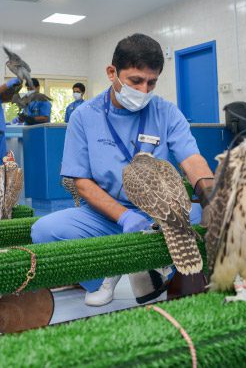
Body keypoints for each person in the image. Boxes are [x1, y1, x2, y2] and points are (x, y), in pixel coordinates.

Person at [31, 33, 215, 307]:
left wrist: (211, 195)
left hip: (163, 211)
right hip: (105, 213)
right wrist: (125, 217)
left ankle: (159, 271)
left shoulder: (166, 112)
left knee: (209, 220)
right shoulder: (85, 116)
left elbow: (192, 159)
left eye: (151, 83)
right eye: (135, 81)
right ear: (112, 73)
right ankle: (104, 275)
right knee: (45, 231)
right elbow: (81, 182)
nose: (143, 91)